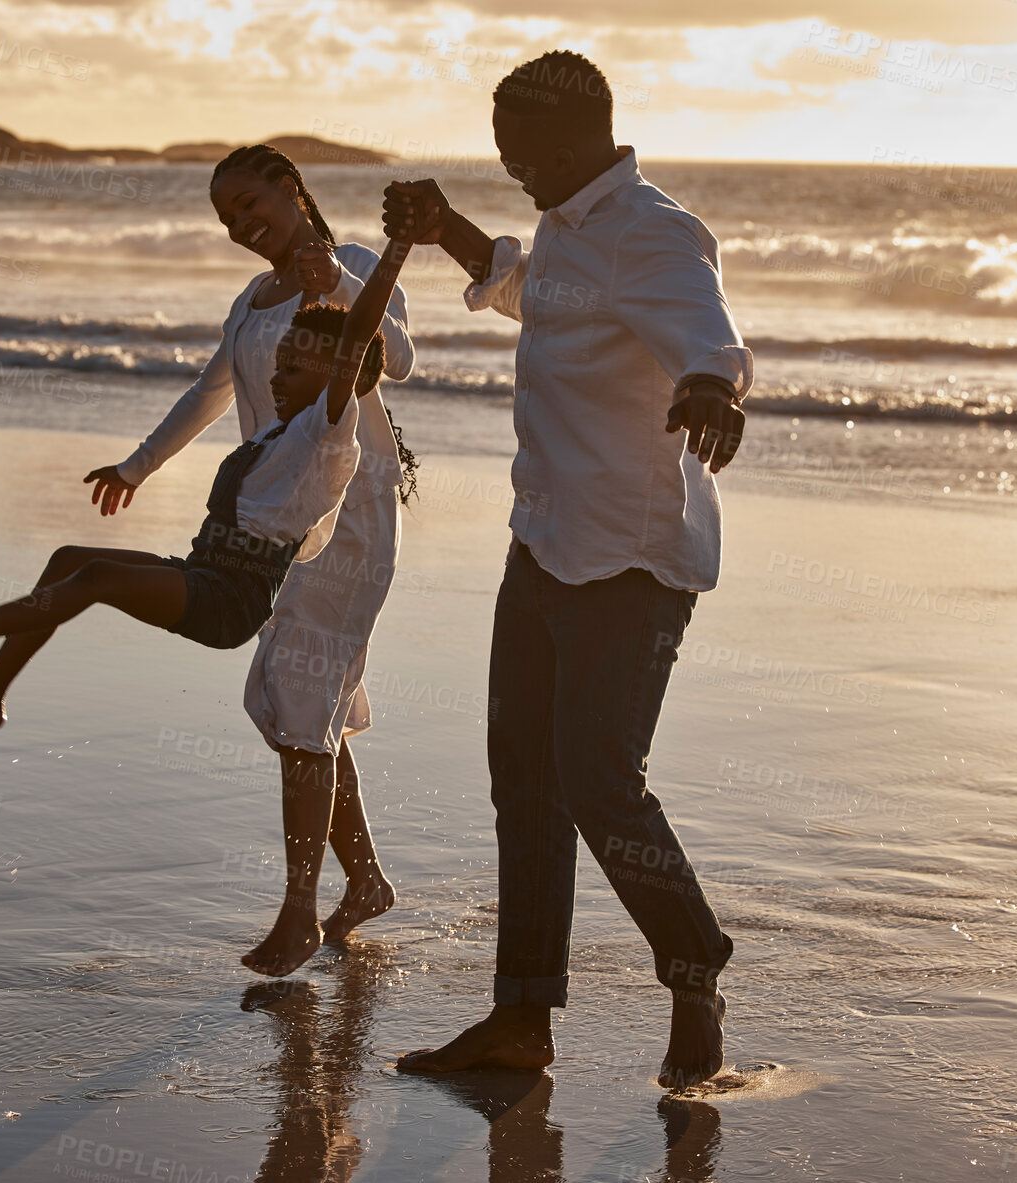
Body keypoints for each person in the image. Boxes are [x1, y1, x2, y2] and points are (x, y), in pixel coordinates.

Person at [383, 49, 750, 1088]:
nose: (513, 170)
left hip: (629, 557)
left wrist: (714, 391)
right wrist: (446, 227)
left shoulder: (656, 234)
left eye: (522, 153)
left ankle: (695, 975)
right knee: (527, 785)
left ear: (578, 136)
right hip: (543, 541)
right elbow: (531, 292)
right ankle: (521, 1020)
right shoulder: (565, 221)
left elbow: (709, 333)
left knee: (599, 781)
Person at [0, 237, 416, 981]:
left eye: (298, 365)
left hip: (227, 597)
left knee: (99, 592)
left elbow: (361, 339)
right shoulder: (280, 427)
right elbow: (219, 394)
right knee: (70, 563)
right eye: (279, 361)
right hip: (202, 572)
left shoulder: (326, 429)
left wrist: (395, 253)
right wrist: (140, 463)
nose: (278, 373)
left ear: (340, 376)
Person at [82, 145, 419, 977]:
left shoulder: (355, 266)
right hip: (277, 523)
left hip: (348, 514)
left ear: (291, 189)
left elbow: (400, 356)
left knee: (303, 702)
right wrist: (136, 466)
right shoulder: (252, 297)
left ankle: (300, 911)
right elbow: (210, 391)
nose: (240, 224)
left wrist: (333, 288)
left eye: (249, 202)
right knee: (299, 704)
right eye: (225, 216)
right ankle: (365, 880)